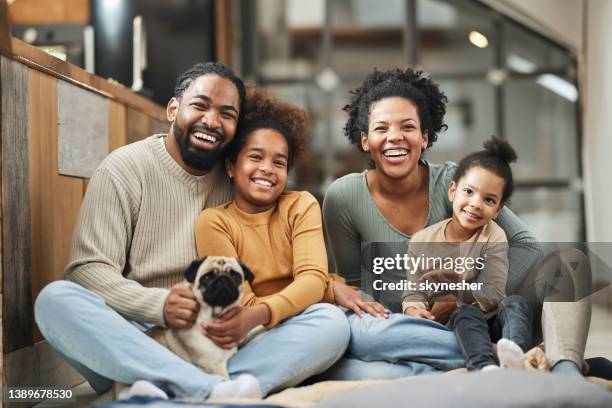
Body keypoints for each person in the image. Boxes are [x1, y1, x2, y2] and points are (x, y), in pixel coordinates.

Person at [33, 62, 349, 401]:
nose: (211, 121)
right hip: (137, 334)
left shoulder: (237, 179)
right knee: (55, 301)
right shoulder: (123, 169)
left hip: (220, 335)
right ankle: (208, 388)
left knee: (330, 324)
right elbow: (87, 269)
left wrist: (328, 286)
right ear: (173, 109)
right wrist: (159, 304)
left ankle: (163, 385)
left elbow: (277, 255)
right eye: (200, 105)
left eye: (226, 114)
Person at [322, 67, 590, 379]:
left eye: (407, 127)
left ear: (424, 137)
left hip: (493, 318)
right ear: (366, 140)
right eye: (382, 128)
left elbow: (526, 248)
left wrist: (465, 295)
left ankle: (566, 370)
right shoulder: (344, 197)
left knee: (571, 262)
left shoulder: (457, 183)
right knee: (364, 334)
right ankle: (494, 358)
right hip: (411, 329)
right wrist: (414, 308)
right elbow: (356, 288)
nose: (395, 136)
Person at [193, 86, 350, 393]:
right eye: (255, 157)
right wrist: (326, 289)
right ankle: (210, 389)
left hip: (298, 323)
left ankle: (225, 387)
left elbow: (311, 279)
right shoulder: (214, 222)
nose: (267, 168)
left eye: (279, 163)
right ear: (230, 166)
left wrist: (317, 287)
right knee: (332, 325)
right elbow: (244, 307)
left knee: (369, 332)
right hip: (258, 337)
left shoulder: (300, 204)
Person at [402, 137, 533, 371]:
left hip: (492, 322)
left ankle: (515, 361)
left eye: (489, 200)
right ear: (452, 191)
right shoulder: (422, 240)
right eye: (469, 191)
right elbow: (413, 290)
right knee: (466, 314)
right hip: (457, 325)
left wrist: (459, 295)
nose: (475, 204)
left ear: (498, 210)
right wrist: (414, 309)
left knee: (515, 303)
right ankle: (483, 368)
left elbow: (493, 292)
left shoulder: (493, 236)